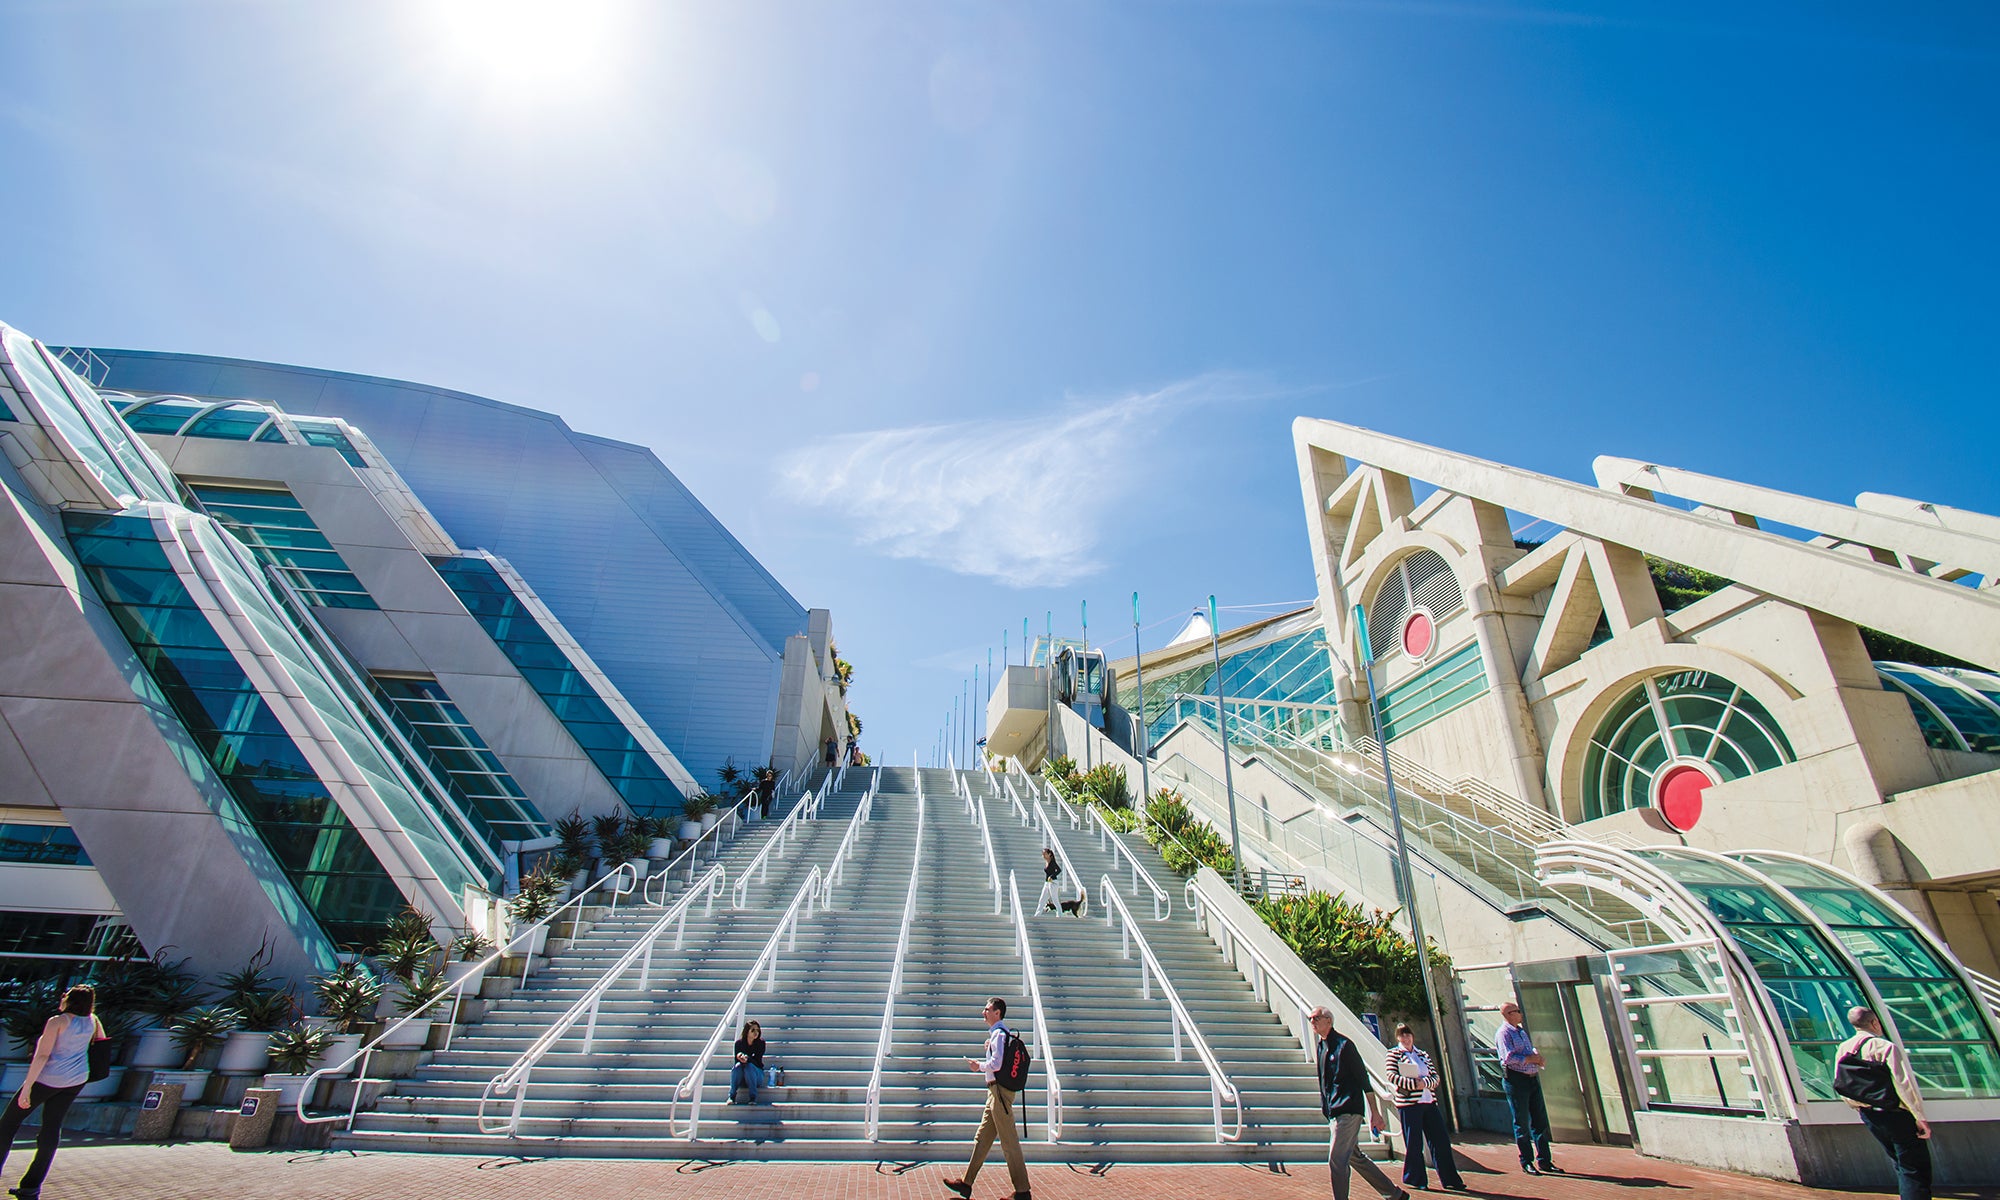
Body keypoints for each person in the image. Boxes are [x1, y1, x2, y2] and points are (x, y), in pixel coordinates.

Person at [0, 984, 103, 1199]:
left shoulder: (57, 1021)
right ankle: (31, 1188)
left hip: (49, 1078)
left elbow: (42, 1056)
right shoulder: (93, 1021)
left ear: (70, 1000)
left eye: (65, 996)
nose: (62, 999)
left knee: (7, 1125)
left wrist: (27, 1087)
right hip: (75, 1080)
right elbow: (102, 1042)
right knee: (51, 1128)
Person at [1310, 1005, 1407, 1200]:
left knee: (1336, 1159)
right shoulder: (1321, 1047)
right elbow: (1324, 1083)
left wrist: (1375, 1113)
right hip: (1333, 1111)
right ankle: (1395, 1194)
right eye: (1310, 1018)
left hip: (1348, 1110)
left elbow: (1364, 1080)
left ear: (1328, 1021)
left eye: (1316, 1018)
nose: (1312, 1021)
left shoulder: (1345, 1046)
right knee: (1355, 1157)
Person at [1834, 1006, 1931, 1200]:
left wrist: (1857, 1106)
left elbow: (1841, 1083)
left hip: (1870, 1115)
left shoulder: (1844, 1049)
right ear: (1874, 1022)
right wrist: (1919, 1117)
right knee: (1914, 1167)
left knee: (1899, 1162)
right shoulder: (1885, 1046)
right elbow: (1903, 1084)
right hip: (1897, 1115)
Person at [944, 997, 1031, 1200]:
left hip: (999, 1093)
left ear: (997, 1013)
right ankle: (966, 1183)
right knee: (982, 1138)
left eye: (987, 1009)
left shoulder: (999, 1034)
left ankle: (1022, 1191)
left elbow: (996, 1064)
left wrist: (979, 1066)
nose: (983, 1012)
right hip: (994, 1092)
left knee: (1009, 1142)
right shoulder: (1000, 1034)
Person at [1384, 1023, 1465, 1192]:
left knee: (1440, 1140)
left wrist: (1425, 1083)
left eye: (1408, 1035)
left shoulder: (1422, 1054)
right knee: (1414, 1142)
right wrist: (1414, 1084)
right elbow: (1392, 1075)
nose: (1406, 1038)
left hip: (1428, 1101)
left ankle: (1450, 1178)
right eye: (1402, 1035)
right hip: (1409, 1104)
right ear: (1397, 1038)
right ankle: (1416, 1178)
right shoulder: (1393, 1054)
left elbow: (1435, 1077)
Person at [1497, 1001, 1562, 1176]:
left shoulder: (1521, 1031)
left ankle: (1545, 1160)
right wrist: (1530, 1059)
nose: (1520, 1013)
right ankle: (1526, 1161)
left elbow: (1528, 1051)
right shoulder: (1504, 1033)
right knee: (1522, 1122)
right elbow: (1508, 1058)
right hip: (1516, 1081)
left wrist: (1536, 1057)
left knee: (1540, 1121)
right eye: (1517, 1011)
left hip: (1532, 1078)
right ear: (1509, 1014)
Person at [730, 1019, 768, 1104]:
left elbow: (758, 1062)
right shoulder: (739, 1044)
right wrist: (739, 1057)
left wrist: (748, 1059)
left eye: (757, 1030)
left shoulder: (761, 1043)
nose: (756, 1033)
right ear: (747, 1032)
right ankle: (732, 1096)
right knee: (737, 1067)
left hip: (756, 1075)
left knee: (749, 1067)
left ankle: (752, 1098)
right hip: (742, 1077)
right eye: (753, 1030)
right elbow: (736, 1063)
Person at [1036, 848, 1062, 913]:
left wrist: (1052, 876)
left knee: (1055, 900)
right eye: (1043, 854)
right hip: (1047, 883)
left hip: (1053, 882)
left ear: (1049, 854)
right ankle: (1037, 915)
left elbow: (1058, 870)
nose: (1043, 856)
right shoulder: (1046, 862)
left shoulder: (1052, 862)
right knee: (1042, 900)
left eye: (1045, 854)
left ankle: (1060, 914)